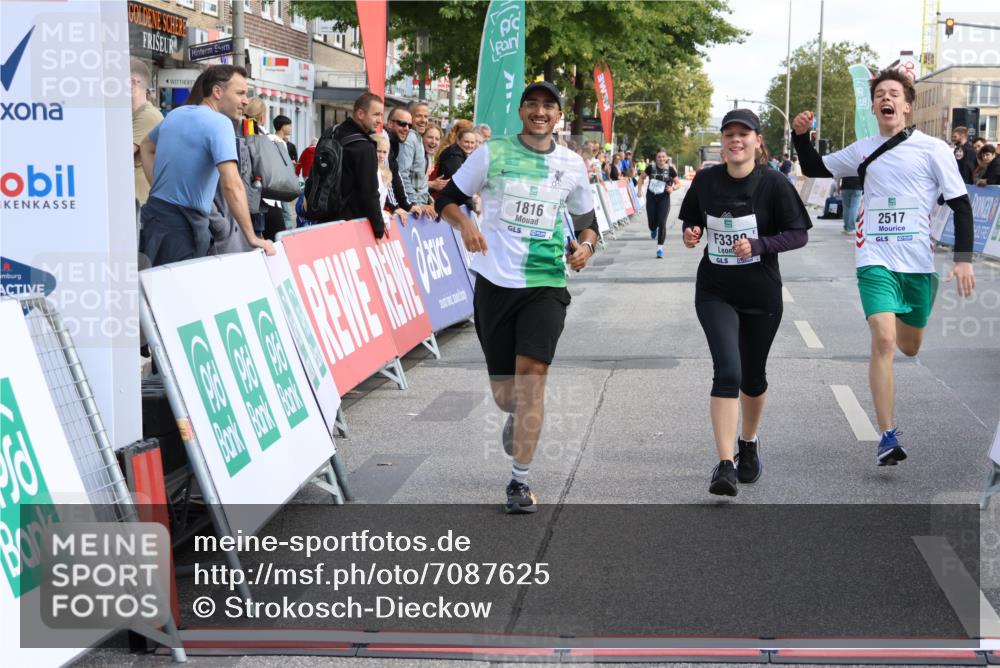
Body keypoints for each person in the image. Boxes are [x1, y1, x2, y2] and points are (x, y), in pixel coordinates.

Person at [793, 69, 976, 466]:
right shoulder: (862, 149)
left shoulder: (934, 150)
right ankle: (887, 435)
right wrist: (799, 135)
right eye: (880, 94)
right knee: (884, 340)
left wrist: (962, 261)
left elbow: (961, 205)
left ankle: (891, 413)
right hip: (874, 258)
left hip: (917, 265)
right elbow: (814, 167)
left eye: (894, 93)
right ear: (875, 106)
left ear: (907, 106)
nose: (886, 99)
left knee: (909, 346)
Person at [435, 82, 600, 514]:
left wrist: (586, 247)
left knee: (533, 377)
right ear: (523, 111)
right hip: (495, 283)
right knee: (506, 394)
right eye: (533, 105)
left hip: (545, 284)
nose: (541, 112)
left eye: (549, 106)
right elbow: (447, 201)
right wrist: (466, 224)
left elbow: (587, 223)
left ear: (559, 116)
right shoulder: (492, 153)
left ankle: (519, 481)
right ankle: (512, 413)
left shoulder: (572, 165)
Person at [680, 109, 812, 496]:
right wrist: (691, 234)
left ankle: (748, 442)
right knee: (728, 371)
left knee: (752, 378)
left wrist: (760, 245)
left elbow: (799, 234)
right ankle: (724, 465)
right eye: (729, 134)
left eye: (744, 134)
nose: (735, 140)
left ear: (757, 141)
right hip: (715, 290)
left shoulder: (773, 183)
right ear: (722, 142)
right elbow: (692, 222)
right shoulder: (706, 181)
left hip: (761, 293)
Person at [139, 65, 274, 266]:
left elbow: (146, 146)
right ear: (217, 92)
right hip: (183, 229)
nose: (245, 101)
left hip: (153, 217)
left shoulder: (177, 114)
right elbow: (232, 185)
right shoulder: (219, 123)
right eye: (240, 93)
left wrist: (157, 184)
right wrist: (252, 237)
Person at [331, 92, 387, 238]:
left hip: (324, 216)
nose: (380, 120)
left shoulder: (332, 132)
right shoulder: (365, 147)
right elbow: (369, 193)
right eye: (376, 114)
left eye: (381, 115)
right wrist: (378, 229)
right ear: (360, 114)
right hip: (351, 224)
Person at [131, 58, 163, 208]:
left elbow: (116, 156)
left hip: (140, 203)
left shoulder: (148, 116)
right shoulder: (136, 114)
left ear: (133, 83)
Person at [638, 149, 678, 258]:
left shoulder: (670, 170)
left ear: (666, 158)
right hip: (651, 197)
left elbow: (678, 183)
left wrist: (672, 188)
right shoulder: (651, 168)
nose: (661, 159)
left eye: (663, 157)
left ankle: (660, 248)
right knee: (652, 223)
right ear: (656, 158)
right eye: (659, 157)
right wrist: (639, 190)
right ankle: (653, 228)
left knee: (662, 222)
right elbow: (641, 177)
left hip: (664, 198)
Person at [395, 102, 430, 207]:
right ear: (409, 117)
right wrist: (412, 204)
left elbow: (418, 180)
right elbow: (402, 174)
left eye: (426, 116)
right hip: (413, 207)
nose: (423, 120)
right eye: (419, 116)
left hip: (420, 203)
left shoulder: (417, 138)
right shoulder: (409, 138)